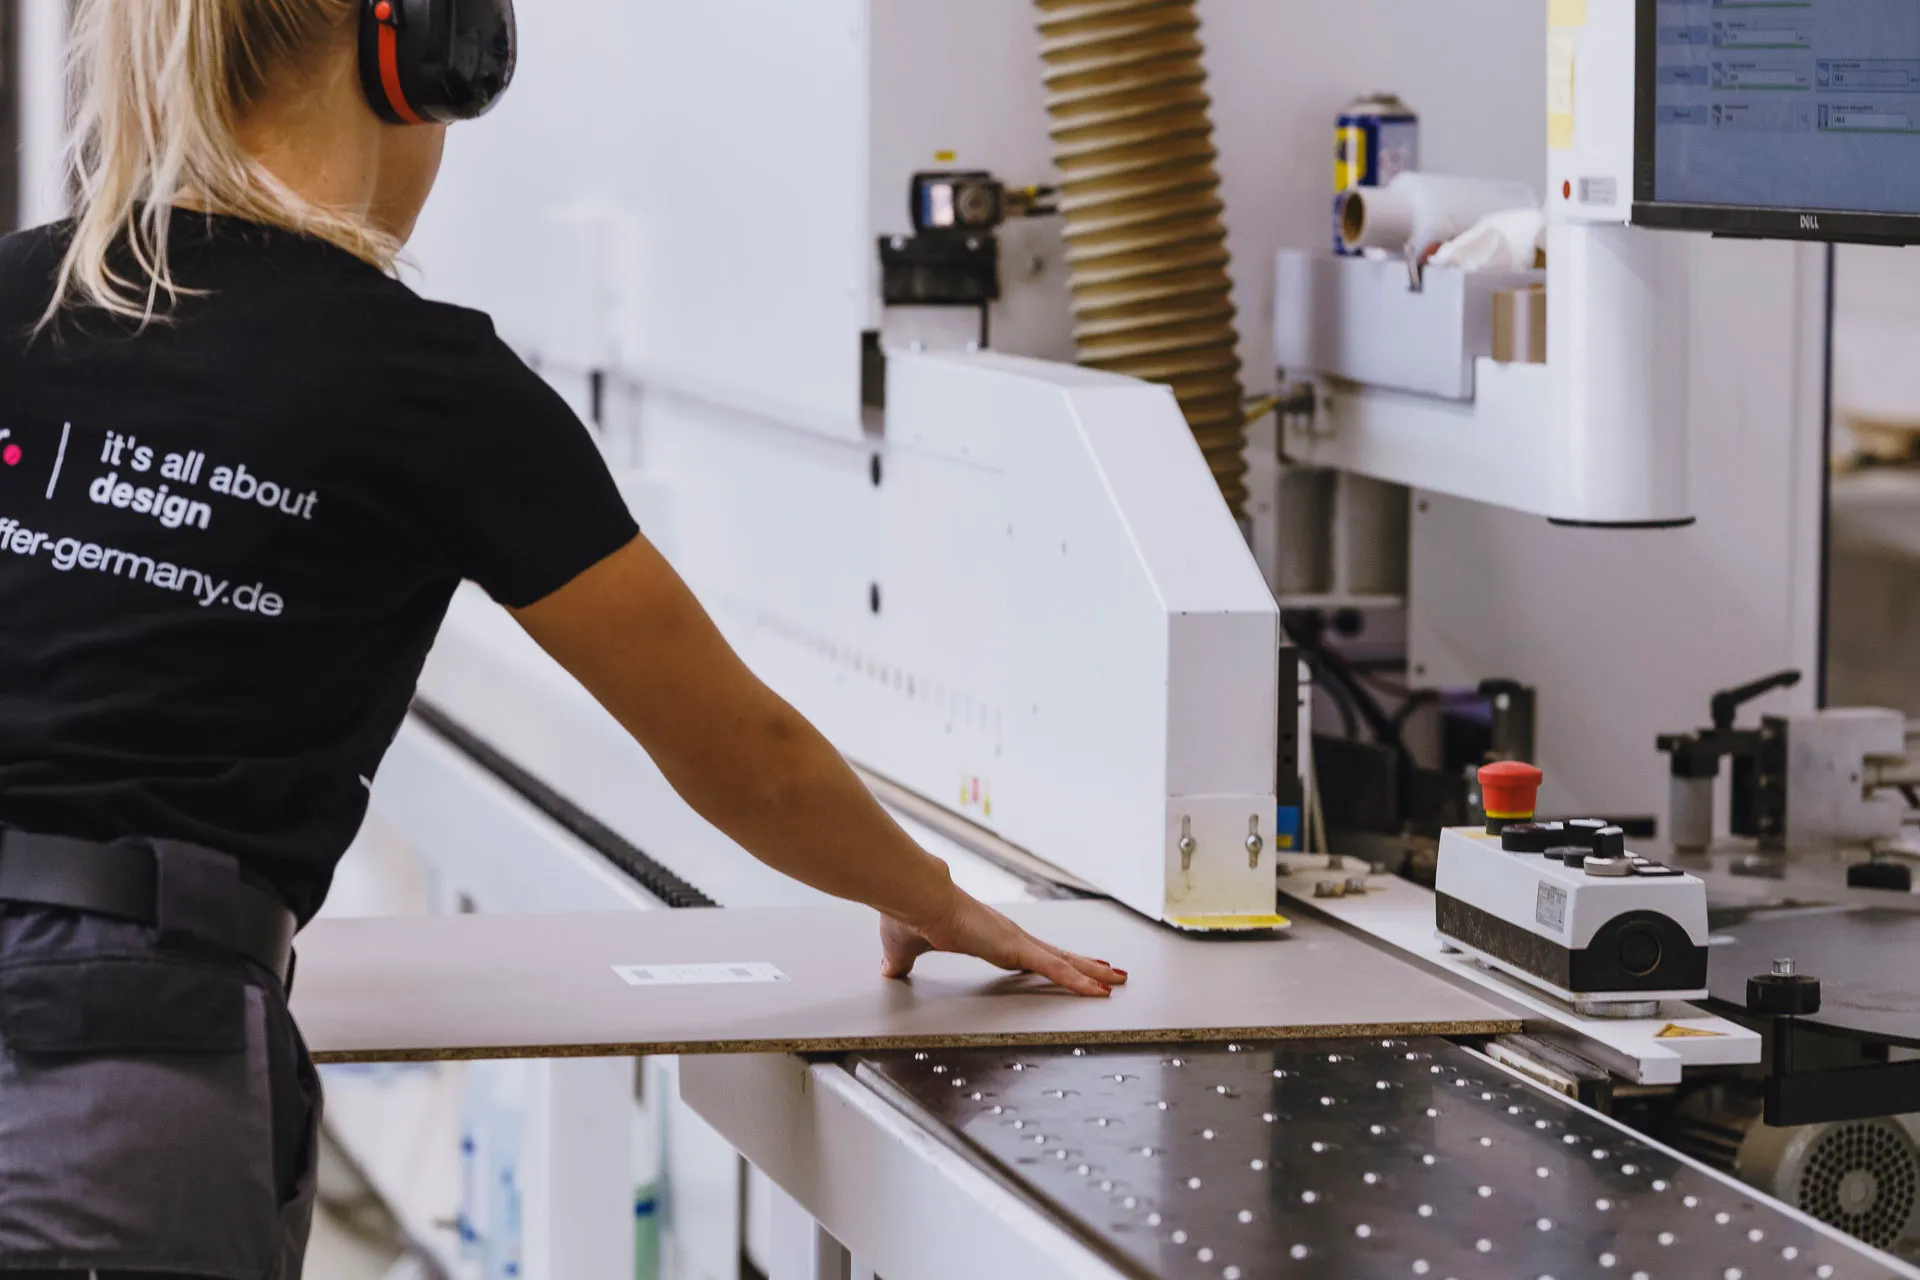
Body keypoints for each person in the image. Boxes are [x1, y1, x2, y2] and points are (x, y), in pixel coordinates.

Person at [0, 1, 1128, 1275]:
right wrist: (931, 897)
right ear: (415, 62)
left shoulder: (13, 291)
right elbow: (739, 749)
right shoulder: (424, 381)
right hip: (111, 1082)